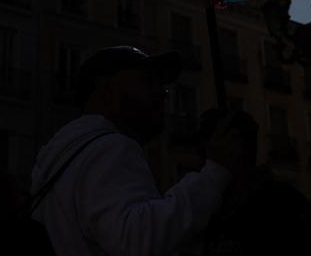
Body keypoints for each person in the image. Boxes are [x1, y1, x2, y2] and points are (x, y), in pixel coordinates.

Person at [30, 46, 240, 256]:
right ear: (105, 88)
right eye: (147, 80)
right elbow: (137, 240)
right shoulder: (110, 147)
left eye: (162, 86)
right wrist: (215, 173)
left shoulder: (65, 155)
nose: (162, 93)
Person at [188, 108, 311, 256]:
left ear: (235, 148)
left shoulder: (283, 208)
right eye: (202, 152)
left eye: (208, 151)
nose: (201, 161)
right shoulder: (209, 210)